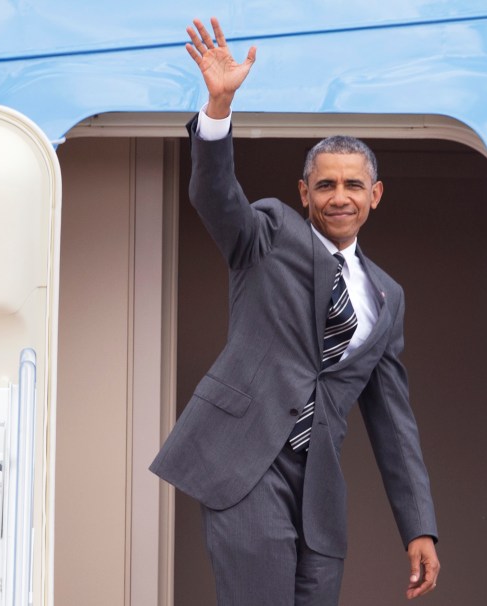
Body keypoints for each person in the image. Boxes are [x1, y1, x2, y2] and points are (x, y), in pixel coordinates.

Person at [150, 17, 441, 606]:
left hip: (320, 493)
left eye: (353, 185)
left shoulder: (388, 296)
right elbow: (216, 197)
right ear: (304, 192)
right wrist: (217, 110)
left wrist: (419, 526)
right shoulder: (270, 233)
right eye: (326, 184)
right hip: (248, 465)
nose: (340, 196)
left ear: (374, 195)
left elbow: (392, 421)